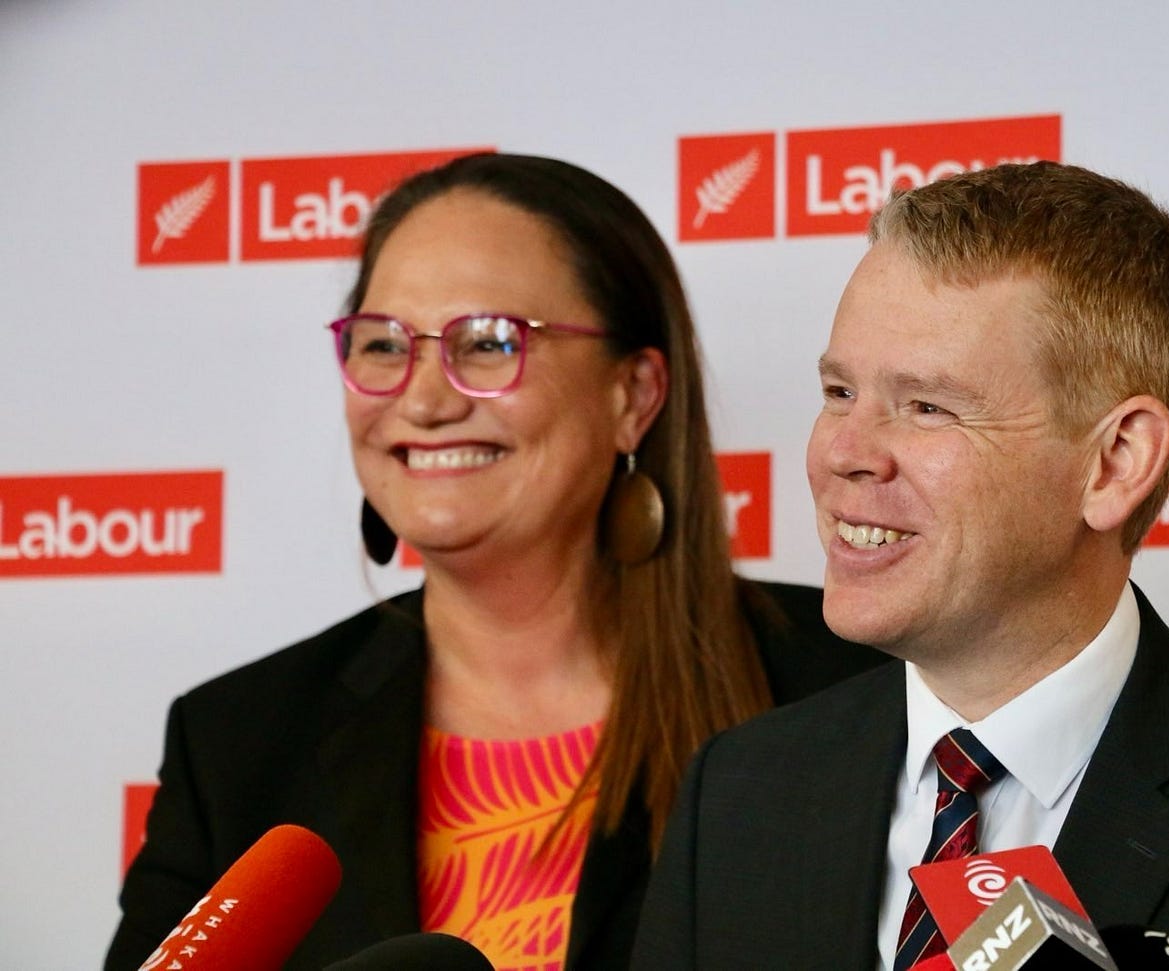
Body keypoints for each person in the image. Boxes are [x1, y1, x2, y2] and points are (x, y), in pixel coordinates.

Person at [631, 162, 1169, 969]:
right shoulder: (737, 793)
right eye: (840, 392)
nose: (842, 452)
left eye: (927, 406)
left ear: (1115, 463)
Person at [104, 153, 885, 971]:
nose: (424, 398)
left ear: (634, 395)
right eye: (381, 344)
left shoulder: (849, 684)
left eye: (487, 343)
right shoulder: (237, 741)